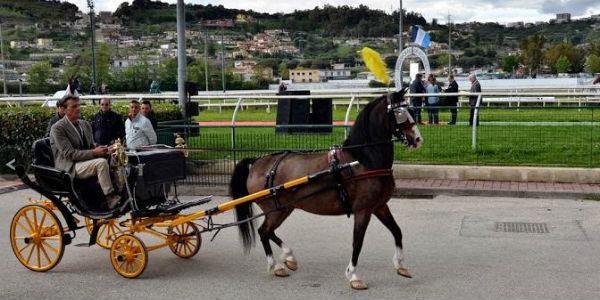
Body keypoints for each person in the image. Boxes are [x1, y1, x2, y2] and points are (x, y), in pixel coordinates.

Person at [49, 90, 120, 209]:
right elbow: (69, 154)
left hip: (84, 162)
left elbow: (91, 146)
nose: (78, 108)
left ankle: (119, 190)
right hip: (69, 166)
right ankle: (110, 197)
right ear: (65, 110)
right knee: (101, 163)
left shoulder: (85, 124)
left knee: (116, 158)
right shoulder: (57, 128)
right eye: (74, 106)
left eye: (79, 105)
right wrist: (94, 152)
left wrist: (106, 149)